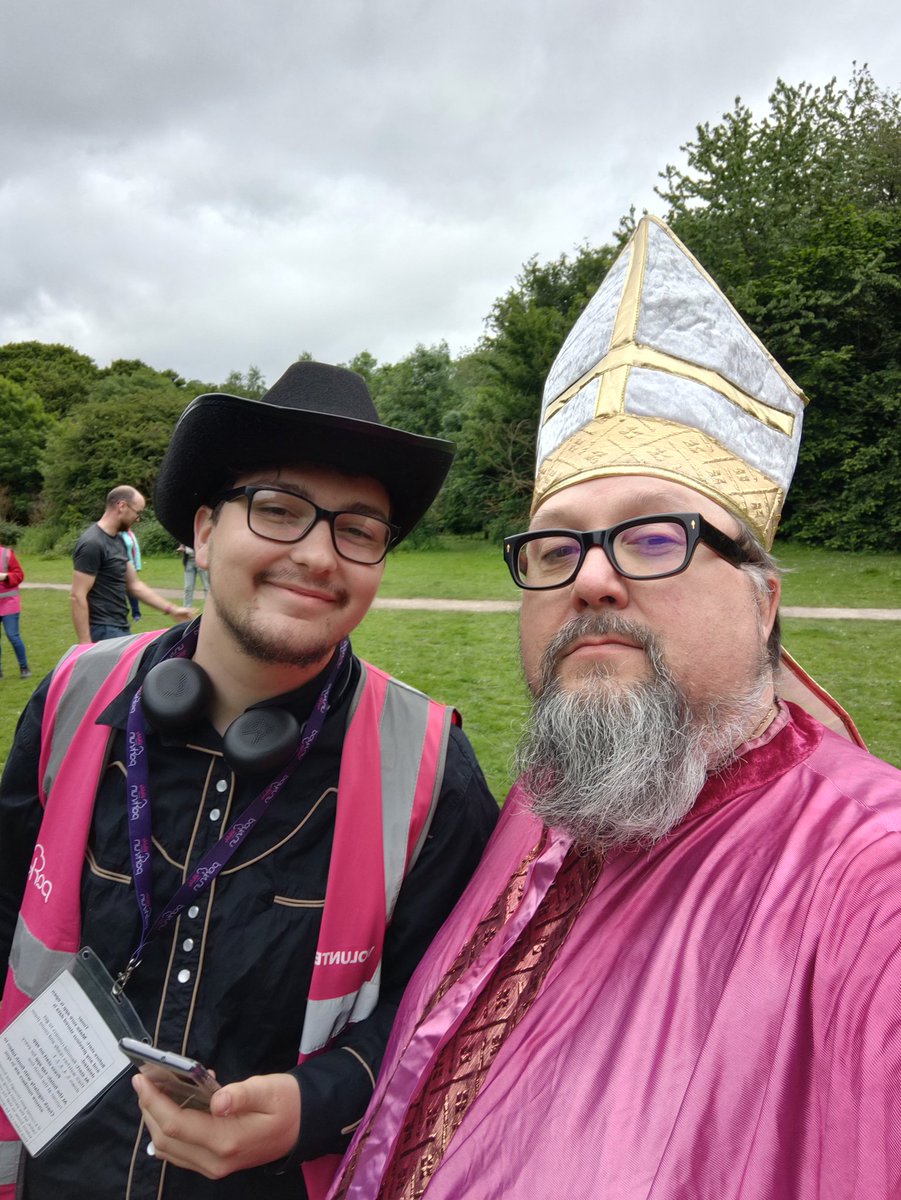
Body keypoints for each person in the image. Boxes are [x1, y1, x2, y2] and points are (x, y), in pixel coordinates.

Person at [330, 217, 901, 1200]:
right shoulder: (555, 793)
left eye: (653, 537)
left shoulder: (864, 874)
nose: (590, 578)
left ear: (763, 601)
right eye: (556, 548)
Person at [0, 361, 499, 1200]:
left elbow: (457, 1005)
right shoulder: (72, 697)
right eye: (277, 508)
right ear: (203, 532)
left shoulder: (429, 765)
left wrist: (318, 1102)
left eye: (358, 530)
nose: (317, 554)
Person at [71, 486, 193, 641]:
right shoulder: (92, 543)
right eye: (138, 512)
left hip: (119, 627)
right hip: (102, 630)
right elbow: (77, 595)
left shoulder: (118, 540)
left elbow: (135, 585)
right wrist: (85, 644)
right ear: (122, 506)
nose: (138, 519)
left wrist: (172, 609)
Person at [0, 543, 30, 680]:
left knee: (13, 636)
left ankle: (24, 667)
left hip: (9, 603)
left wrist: (5, 577)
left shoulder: (6, 553)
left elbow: (19, 575)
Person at [121, 526, 143, 620]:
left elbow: (136, 550)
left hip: (130, 567)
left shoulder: (130, 534)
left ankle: (136, 613)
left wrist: (137, 566)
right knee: (120, 592)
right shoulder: (114, 534)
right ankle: (122, 614)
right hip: (117, 567)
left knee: (132, 591)